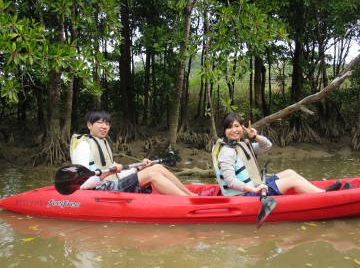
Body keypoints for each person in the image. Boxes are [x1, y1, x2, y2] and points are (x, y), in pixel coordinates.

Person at [71, 110, 215, 196]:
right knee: (151, 174)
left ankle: (193, 195)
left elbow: (116, 174)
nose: (104, 127)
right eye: (100, 123)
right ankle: (188, 201)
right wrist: (106, 174)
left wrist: (137, 168)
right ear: (89, 125)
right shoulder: (83, 146)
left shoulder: (103, 142)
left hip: (113, 182)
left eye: (107, 123)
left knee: (155, 167)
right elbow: (82, 184)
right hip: (99, 190)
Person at [212, 112, 353, 196]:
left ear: (242, 128)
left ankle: (320, 192)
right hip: (244, 195)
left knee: (290, 172)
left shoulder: (242, 145)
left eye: (237, 126)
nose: (234, 130)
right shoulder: (227, 152)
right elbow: (230, 181)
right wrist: (255, 190)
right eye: (229, 127)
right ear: (224, 131)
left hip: (255, 187)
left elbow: (267, 146)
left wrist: (255, 136)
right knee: (293, 181)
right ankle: (324, 196)